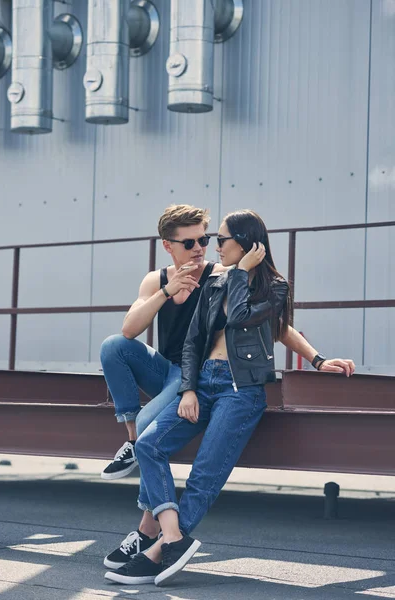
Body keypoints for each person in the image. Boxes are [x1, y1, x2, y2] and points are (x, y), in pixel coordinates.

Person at [104, 209, 355, 587]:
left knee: (204, 475)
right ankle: (170, 537)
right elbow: (193, 341)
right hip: (204, 381)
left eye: (219, 239)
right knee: (149, 443)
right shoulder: (215, 282)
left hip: (241, 391)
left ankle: (156, 552)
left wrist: (318, 359)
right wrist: (188, 388)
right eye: (209, 239)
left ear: (249, 243)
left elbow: (249, 321)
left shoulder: (274, 287)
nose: (212, 247)